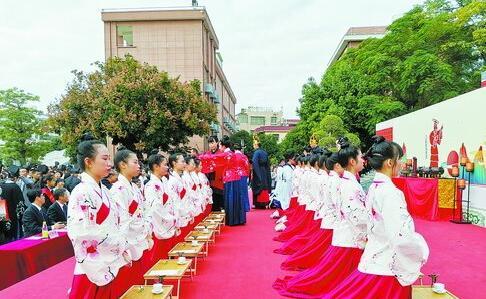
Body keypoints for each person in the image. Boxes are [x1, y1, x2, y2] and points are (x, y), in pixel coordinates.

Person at [324, 136, 429, 299]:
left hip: (375, 254)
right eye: (399, 159)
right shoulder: (390, 192)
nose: (401, 164)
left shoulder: (374, 187)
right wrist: (420, 250)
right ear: (389, 163)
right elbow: (401, 235)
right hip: (386, 265)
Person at [273, 139, 367, 298]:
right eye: (360, 157)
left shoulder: (340, 181)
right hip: (348, 229)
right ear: (351, 162)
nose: (364, 160)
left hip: (340, 224)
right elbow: (353, 214)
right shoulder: (342, 183)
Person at [67, 134, 131, 298]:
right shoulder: (81, 192)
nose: (110, 164)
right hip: (93, 268)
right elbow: (82, 235)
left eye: (110, 158)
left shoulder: (105, 191)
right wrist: (115, 245)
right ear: (88, 162)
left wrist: (120, 245)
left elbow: (116, 223)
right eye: (105, 159)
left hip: (110, 259)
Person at [110, 147, 153, 286]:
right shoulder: (117, 190)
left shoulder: (134, 187)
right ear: (123, 165)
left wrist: (147, 231)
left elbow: (144, 210)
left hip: (139, 236)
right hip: (129, 241)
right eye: (134, 162)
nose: (138, 165)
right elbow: (122, 222)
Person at [144, 153, 179, 264]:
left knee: (167, 254)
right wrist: (171, 218)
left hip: (168, 222)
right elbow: (155, 210)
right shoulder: (150, 186)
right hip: (159, 225)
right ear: (156, 167)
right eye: (165, 165)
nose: (167, 167)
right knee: (158, 258)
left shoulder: (163, 182)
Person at [1, 167, 25, 241]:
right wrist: (20, 216)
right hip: (13, 214)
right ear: (15, 178)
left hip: (3, 214)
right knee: (15, 234)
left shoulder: (1, 185)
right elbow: (20, 203)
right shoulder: (15, 187)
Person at [251, 135, 272, 209]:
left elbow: (254, 162)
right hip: (264, 171)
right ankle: (264, 202)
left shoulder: (256, 153)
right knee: (264, 186)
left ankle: (259, 203)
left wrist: (256, 173)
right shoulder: (264, 152)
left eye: (253, 144)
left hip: (258, 171)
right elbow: (268, 165)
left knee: (258, 186)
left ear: (256, 144)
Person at [205, 136, 225, 211]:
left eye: (213, 142)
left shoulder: (221, 154)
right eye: (210, 143)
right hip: (209, 180)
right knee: (212, 202)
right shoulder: (207, 154)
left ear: (217, 142)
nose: (211, 145)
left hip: (219, 181)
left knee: (219, 201)